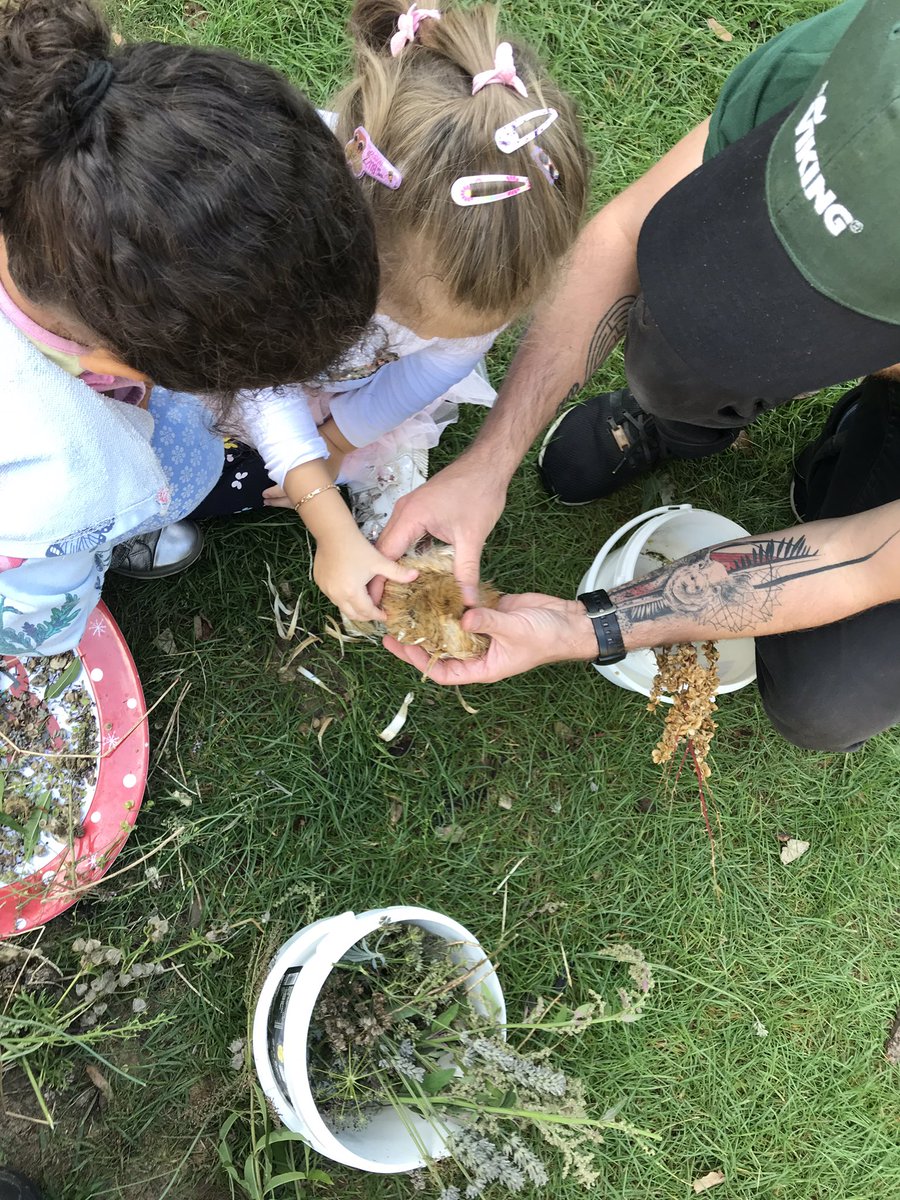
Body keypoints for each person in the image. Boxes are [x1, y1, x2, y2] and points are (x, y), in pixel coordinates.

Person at [382, 0, 900, 753]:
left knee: (826, 699)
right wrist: (488, 464)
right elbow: (628, 231)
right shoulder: (866, 59)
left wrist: (582, 626)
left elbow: (867, 564)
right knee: (683, 336)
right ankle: (678, 417)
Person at [0, 0, 378, 657]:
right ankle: (107, 544)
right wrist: (54, 587)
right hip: (36, 534)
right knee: (52, 588)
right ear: (128, 364)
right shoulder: (63, 469)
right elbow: (45, 569)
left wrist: (331, 522)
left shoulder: (87, 147)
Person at [229, 0, 590, 623]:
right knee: (229, 471)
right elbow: (258, 376)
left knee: (332, 450)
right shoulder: (281, 229)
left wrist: (338, 440)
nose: (434, 338)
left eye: (463, 330)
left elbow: (425, 374)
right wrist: (323, 512)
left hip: (347, 374)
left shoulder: (492, 252)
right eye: (415, 318)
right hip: (247, 355)